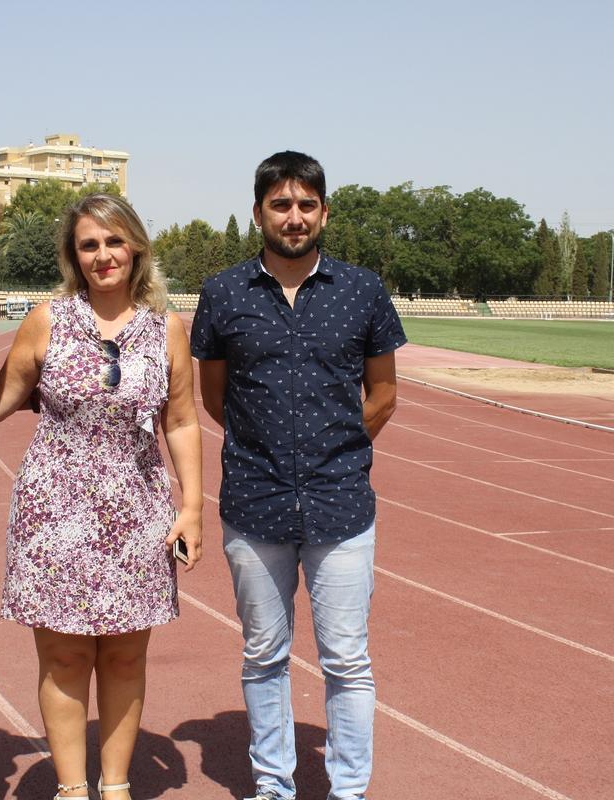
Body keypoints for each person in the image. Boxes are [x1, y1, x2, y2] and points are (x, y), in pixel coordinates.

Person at [190, 151, 407, 800]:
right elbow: (213, 397)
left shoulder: (363, 292)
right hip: (255, 505)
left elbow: (384, 395)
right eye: (280, 205)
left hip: (341, 507)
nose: (294, 217)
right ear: (258, 212)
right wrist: (269, 452)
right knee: (264, 655)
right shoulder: (224, 293)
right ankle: (274, 787)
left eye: (306, 205)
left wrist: (332, 452)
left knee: (346, 660)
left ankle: (347, 790)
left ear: (324, 213)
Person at [0, 193, 203, 800]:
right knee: (63, 657)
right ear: (73, 255)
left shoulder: (167, 328)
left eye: (114, 242)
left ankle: (115, 787)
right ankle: (70, 789)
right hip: (54, 510)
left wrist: (191, 507)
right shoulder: (48, 320)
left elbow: (182, 420)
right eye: (89, 244)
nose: (104, 255)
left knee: (124, 657)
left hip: (137, 510)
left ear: (135, 246)